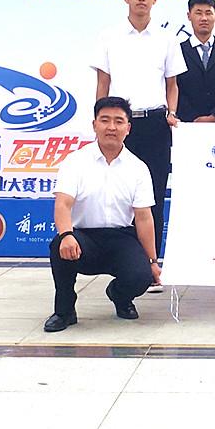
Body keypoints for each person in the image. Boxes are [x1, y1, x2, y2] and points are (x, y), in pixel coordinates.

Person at [90, 0, 183, 269]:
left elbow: (172, 84)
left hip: (155, 124)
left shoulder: (167, 38)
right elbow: (103, 83)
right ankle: (125, 262)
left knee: (153, 194)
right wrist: (101, 121)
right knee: (119, 192)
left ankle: (152, 262)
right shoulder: (109, 36)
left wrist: (171, 113)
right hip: (119, 126)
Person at [46, 96, 161, 332]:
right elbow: (63, 204)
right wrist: (66, 235)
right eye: (105, 120)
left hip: (122, 238)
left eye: (119, 121)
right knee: (60, 245)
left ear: (128, 128)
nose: (111, 127)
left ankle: (119, 296)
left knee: (141, 276)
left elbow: (143, 217)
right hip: (84, 238)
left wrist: (152, 261)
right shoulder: (75, 161)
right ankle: (64, 311)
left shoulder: (138, 168)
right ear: (94, 125)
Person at [176, 0, 215, 123]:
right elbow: (174, 87)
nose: (204, 18)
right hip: (187, 124)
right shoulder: (178, 50)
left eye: (208, 13)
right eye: (198, 13)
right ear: (189, 16)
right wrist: (193, 118)